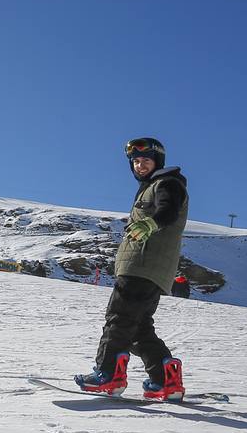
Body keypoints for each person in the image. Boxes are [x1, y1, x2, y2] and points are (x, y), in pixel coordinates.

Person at [74, 138, 187, 401]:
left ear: (157, 162)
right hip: (150, 269)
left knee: (119, 319)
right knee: (138, 329)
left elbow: (168, 211)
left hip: (141, 266)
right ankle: (165, 380)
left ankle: (108, 374)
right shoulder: (153, 186)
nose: (139, 165)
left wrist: (151, 223)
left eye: (145, 160)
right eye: (135, 161)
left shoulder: (167, 183)